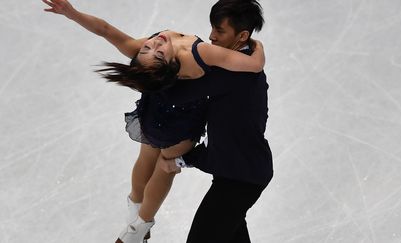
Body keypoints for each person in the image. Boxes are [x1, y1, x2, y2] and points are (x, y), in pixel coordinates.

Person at [42, 0, 266, 242]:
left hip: (154, 111)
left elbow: (106, 30)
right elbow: (255, 64)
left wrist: (73, 14)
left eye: (150, 48)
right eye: (156, 51)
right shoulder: (202, 54)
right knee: (164, 167)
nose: (156, 43)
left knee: (146, 159)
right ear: (171, 66)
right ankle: (137, 230)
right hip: (181, 120)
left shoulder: (149, 56)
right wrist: (257, 44)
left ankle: (134, 216)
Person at [159, 0, 273, 242]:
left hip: (240, 178)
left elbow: (176, 95)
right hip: (241, 173)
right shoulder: (242, 66)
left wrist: (149, 68)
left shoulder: (230, 75)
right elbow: (225, 142)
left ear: (242, 36)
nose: (211, 36)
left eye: (220, 31)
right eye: (212, 27)